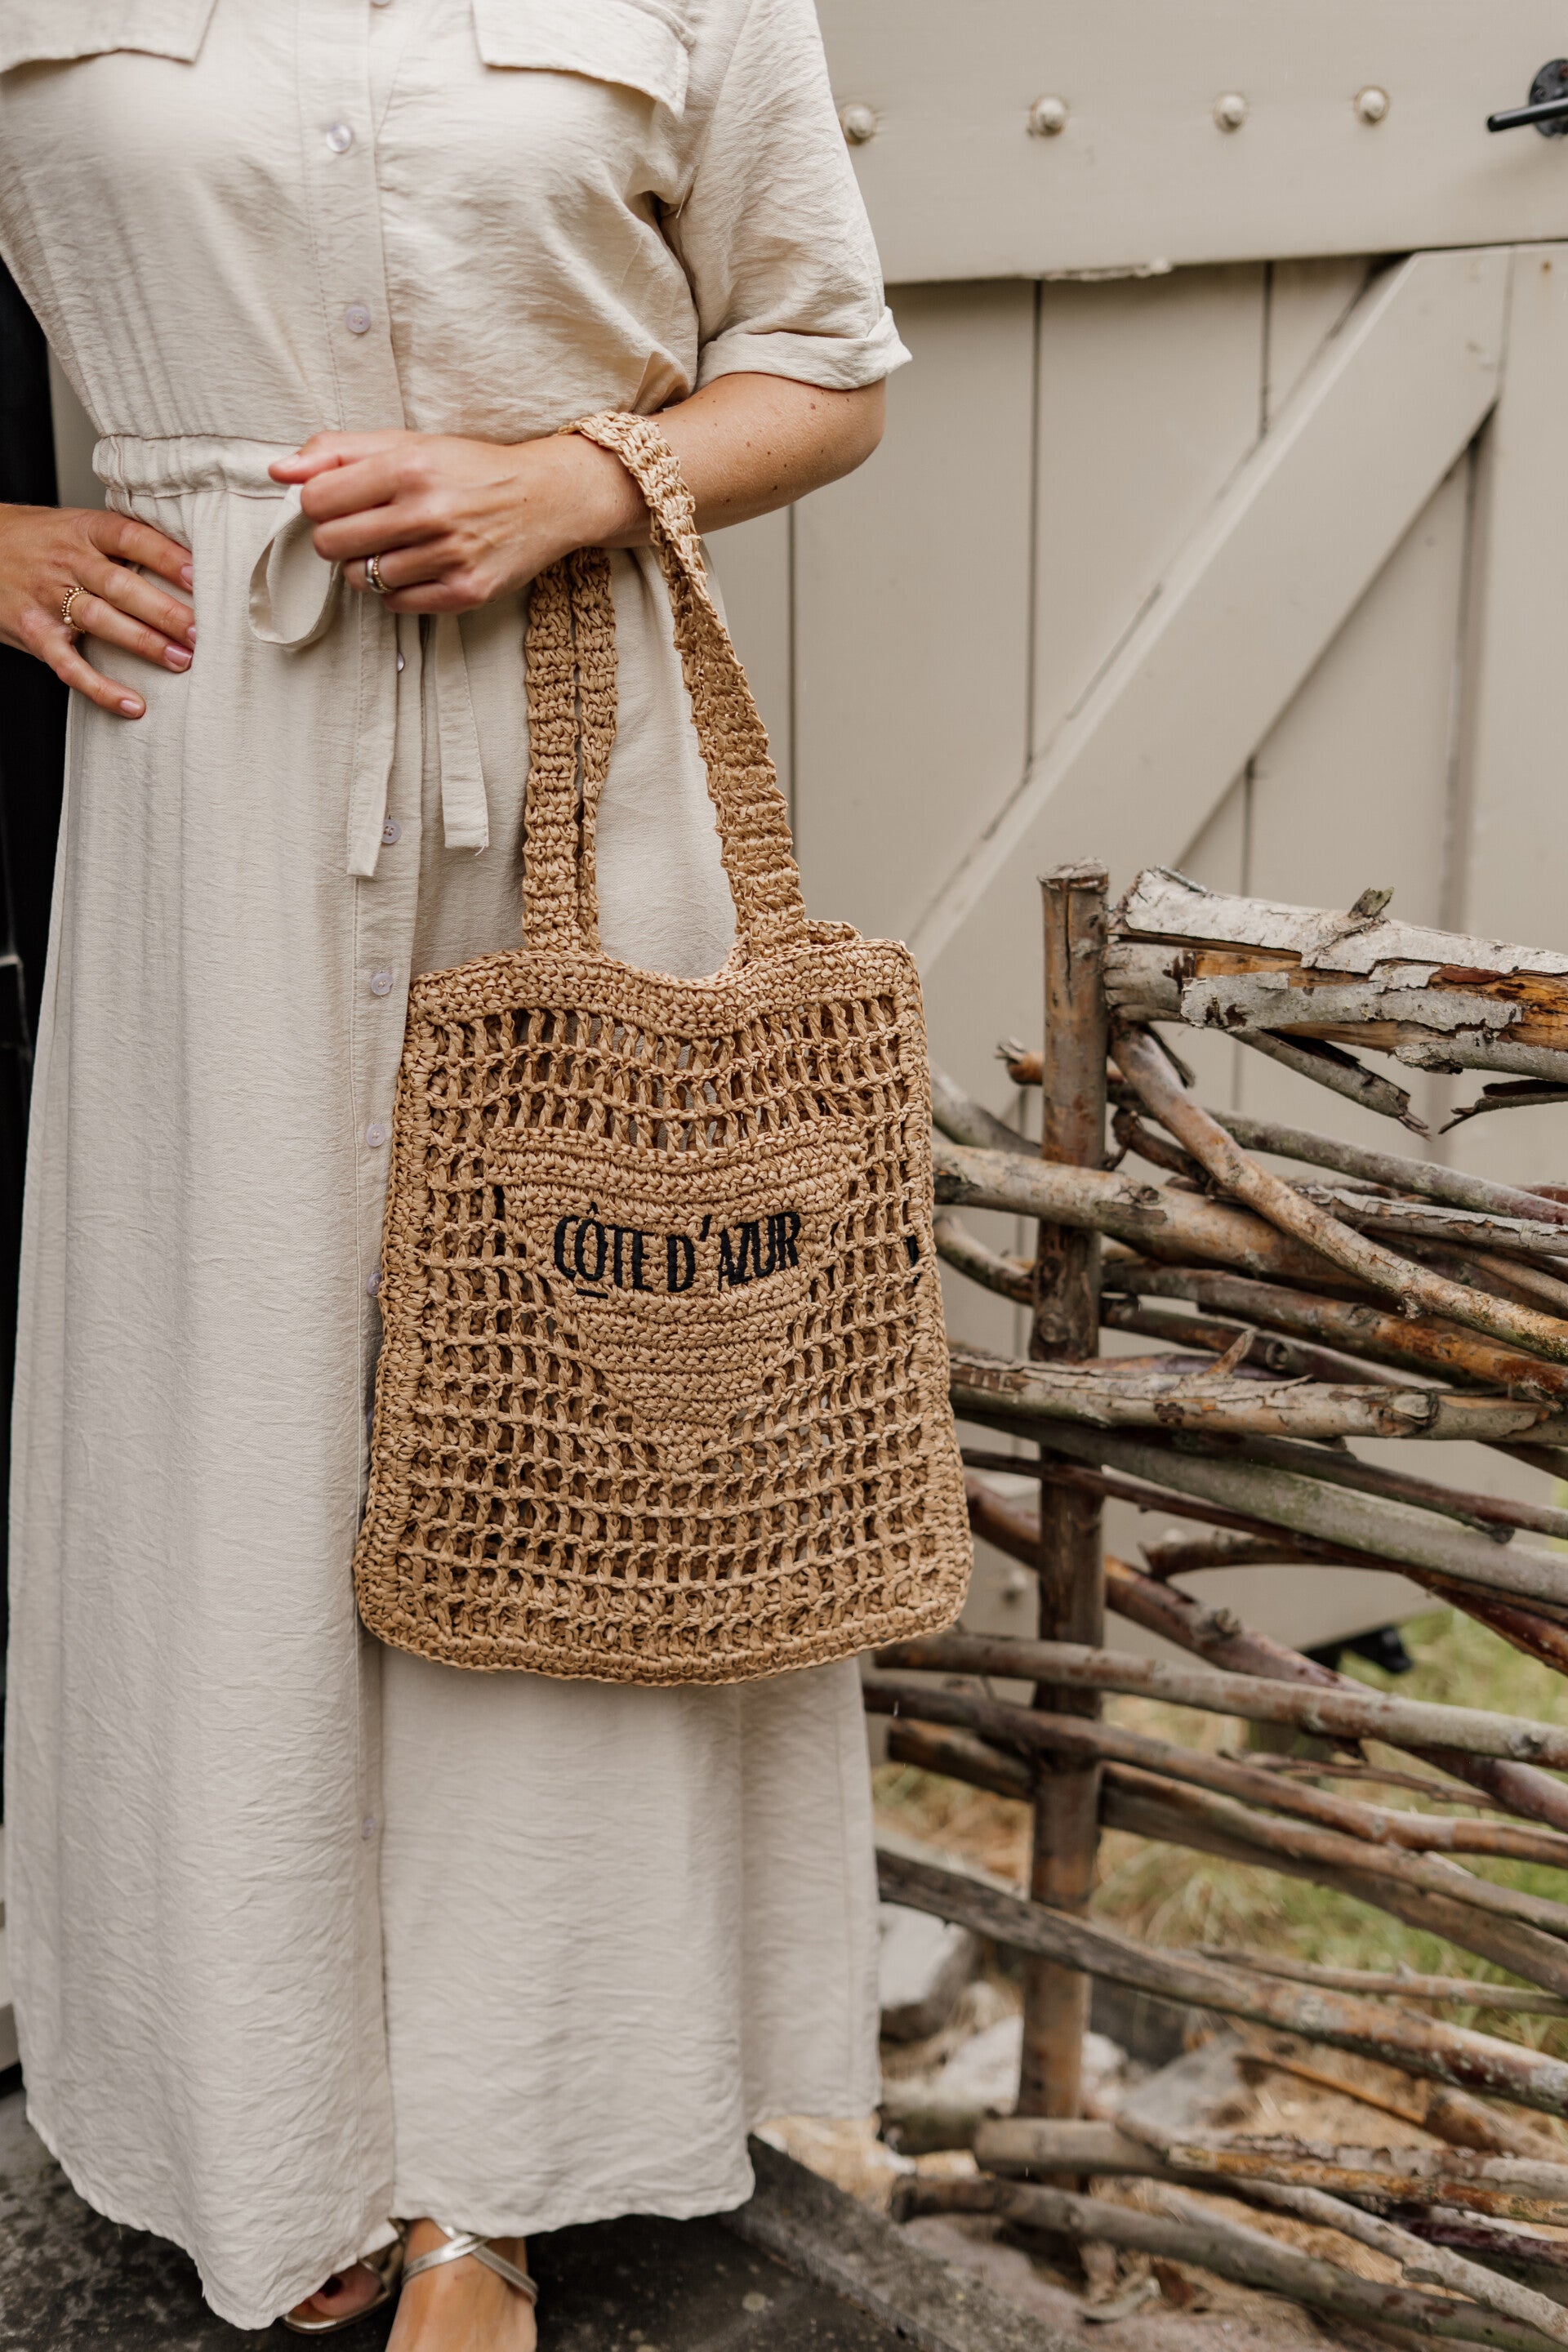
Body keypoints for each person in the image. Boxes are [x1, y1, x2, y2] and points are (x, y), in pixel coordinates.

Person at [0, 2, 906, 2341]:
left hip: (582, 747)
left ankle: (490, 2182)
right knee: (230, 1446)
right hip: (200, 768)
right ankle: (259, 2118)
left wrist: (583, 478)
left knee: (580, 1437)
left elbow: (825, 363)